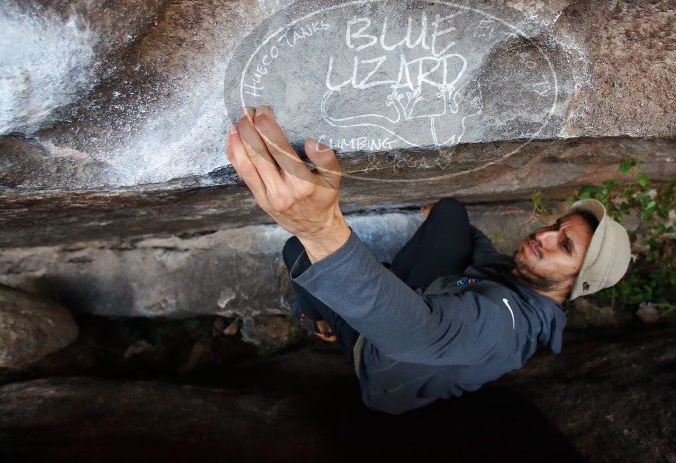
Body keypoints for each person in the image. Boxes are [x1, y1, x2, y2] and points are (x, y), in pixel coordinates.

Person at [226, 105, 632, 414]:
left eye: (563, 245)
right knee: (452, 213)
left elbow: (417, 331)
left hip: (380, 347)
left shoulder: (501, 324)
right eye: (556, 225)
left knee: (299, 250)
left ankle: (310, 315)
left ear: (576, 282)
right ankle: (352, 285)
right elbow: (480, 247)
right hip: (428, 299)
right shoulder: (520, 279)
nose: (542, 235)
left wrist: (320, 229)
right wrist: (440, 217)